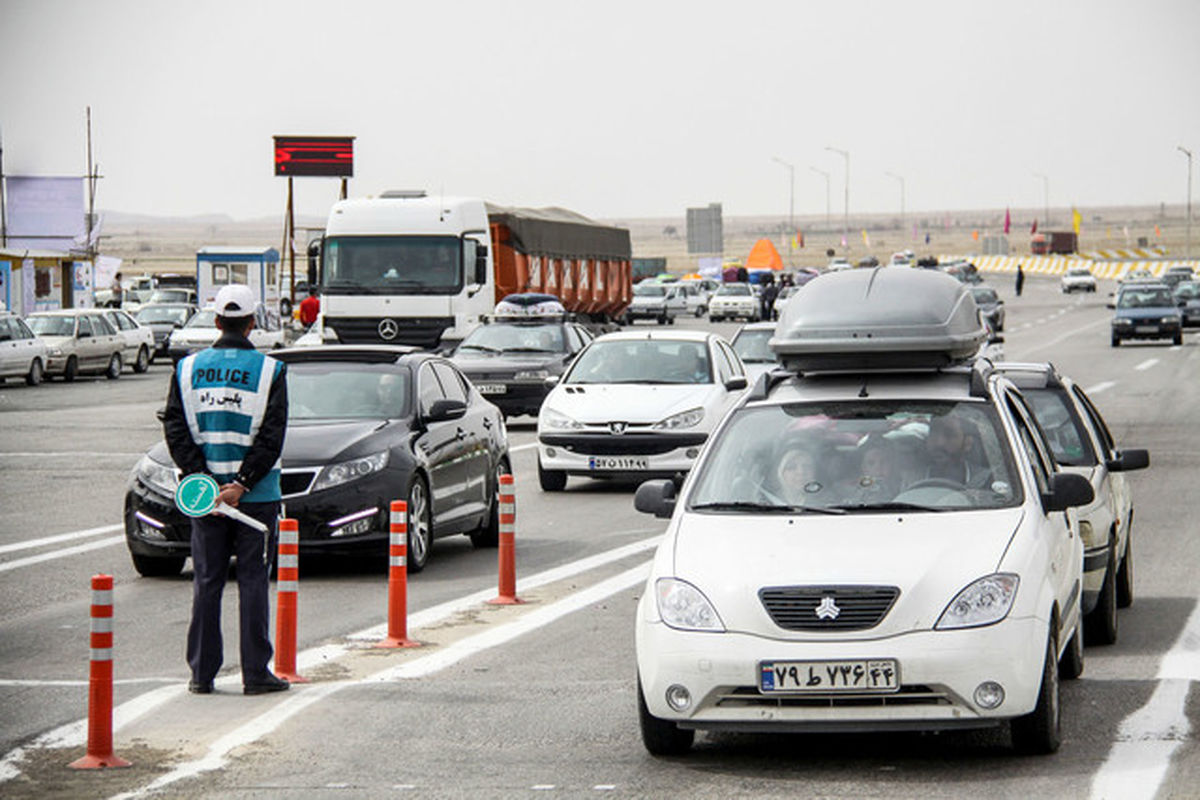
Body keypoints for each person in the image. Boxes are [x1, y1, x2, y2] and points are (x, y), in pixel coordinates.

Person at [162, 284, 290, 696]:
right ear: (252, 323)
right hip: (256, 498)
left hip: (205, 498)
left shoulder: (186, 368)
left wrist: (205, 481)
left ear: (216, 322)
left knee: (207, 581)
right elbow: (272, 437)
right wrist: (241, 484)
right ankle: (256, 674)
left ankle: (201, 675)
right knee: (253, 581)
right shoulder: (272, 371)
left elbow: (176, 430)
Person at [921, 413, 991, 489]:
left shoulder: (985, 481)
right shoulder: (909, 475)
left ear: (968, 443)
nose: (939, 443)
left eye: (949, 435)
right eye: (934, 432)